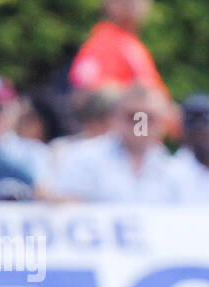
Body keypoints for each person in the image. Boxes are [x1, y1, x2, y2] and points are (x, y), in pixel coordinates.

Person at [49, 84, 188, 203]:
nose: (141, 126)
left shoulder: (177, 170)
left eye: (149, 118)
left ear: (164, 121)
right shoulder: (82, 158)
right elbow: (66, 210)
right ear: (116, 118)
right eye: (133, 117)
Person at [69, 0, 169, 99]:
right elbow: (88, 97)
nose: (131, 0)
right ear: (107, 2)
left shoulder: (129, 43)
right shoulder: (103, 44)